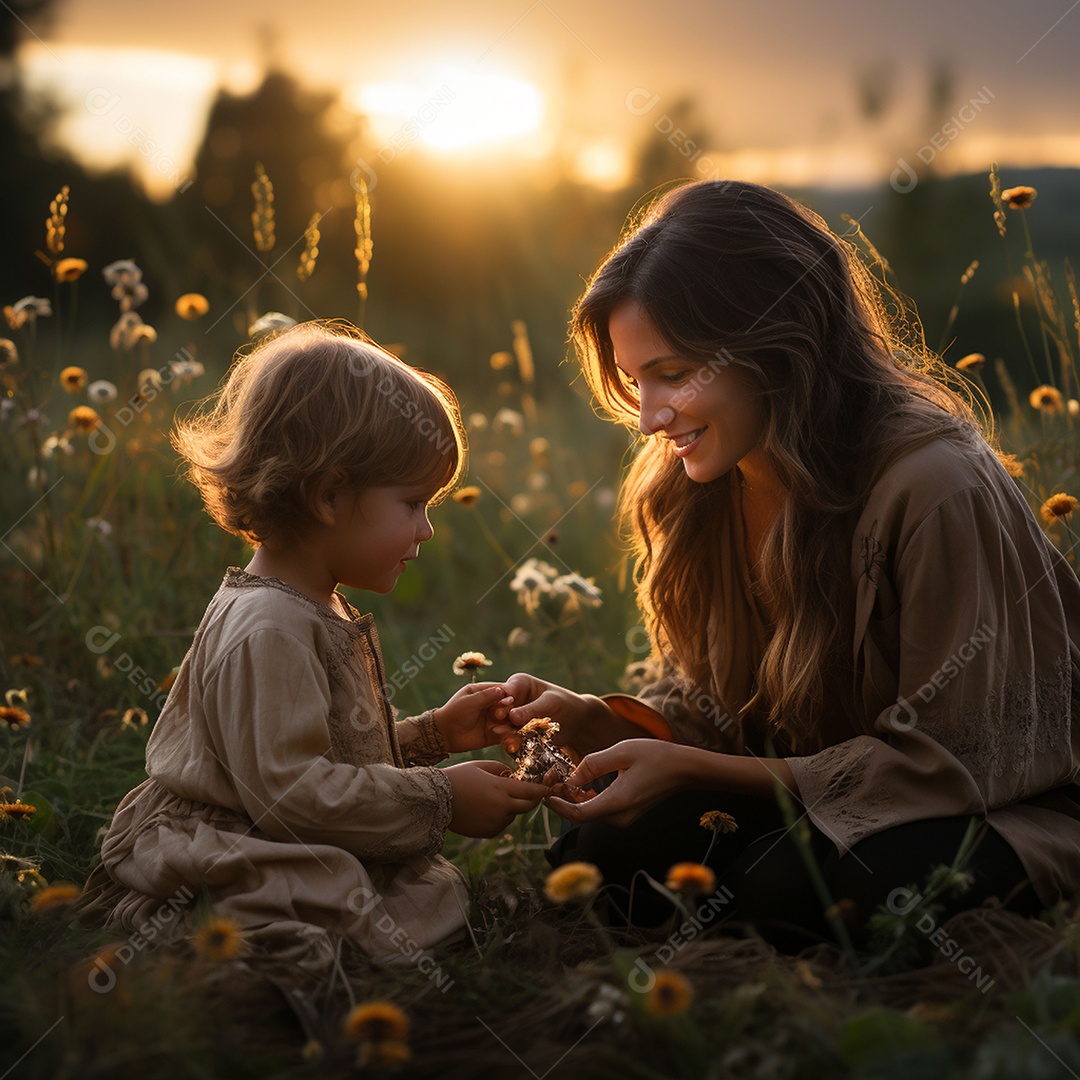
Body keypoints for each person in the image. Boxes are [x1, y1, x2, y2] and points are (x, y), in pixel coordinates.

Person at [501, 179, 1080, 948]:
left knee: (838, 893)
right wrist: (597, 720)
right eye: (636, 380)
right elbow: (721, 712)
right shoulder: (693, 484)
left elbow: (960, 763)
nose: (648, 417)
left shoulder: (934, 484)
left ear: (774, 345)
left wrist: (701, 777)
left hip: (996, 806)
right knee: (615, 857)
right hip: (804, 792)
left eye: (674, 374)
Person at [79, 322, 549, 968]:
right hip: (244, 837)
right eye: (413, 503)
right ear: (330, 494)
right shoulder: (270, 625)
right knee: (362, 905)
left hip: (277, 822)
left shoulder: (309, 601)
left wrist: (437, 734)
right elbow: (291, 796)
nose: (428, 530)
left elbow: (327, 754)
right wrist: (443, 798)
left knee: (416, 896)